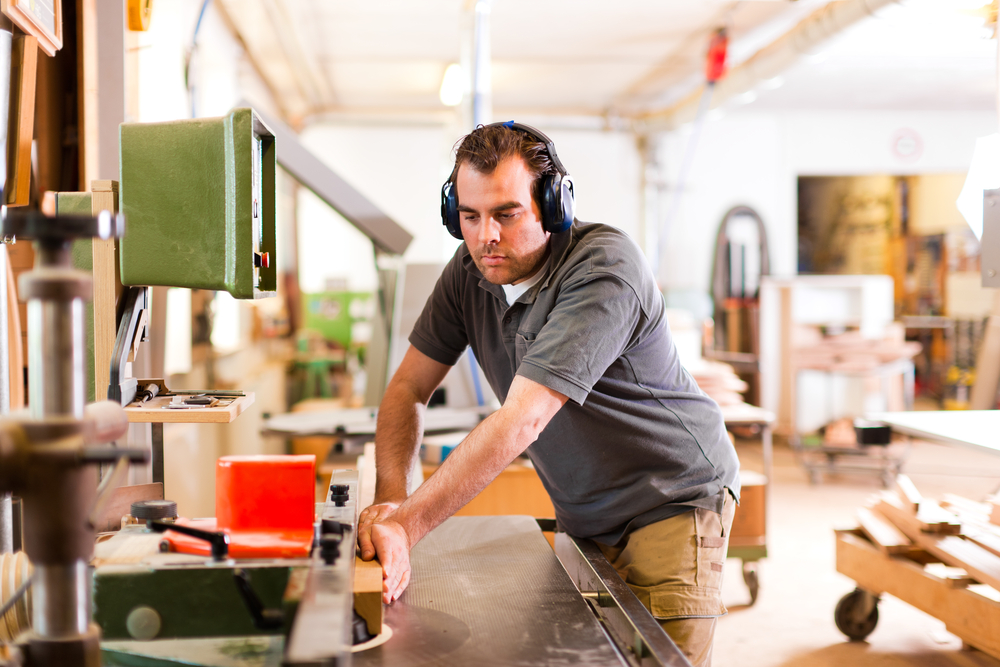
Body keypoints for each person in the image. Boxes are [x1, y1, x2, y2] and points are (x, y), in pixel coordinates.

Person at [357, 121, 740, 667]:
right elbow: (407, 386)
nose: (485, 235)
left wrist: (405, 528)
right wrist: (392, 498)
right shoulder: (470, 272)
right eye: (469, 216)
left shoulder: (603, 269)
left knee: (653, 659)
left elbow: (521, 422)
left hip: (667, 501)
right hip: (584, 512)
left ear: (553, 204)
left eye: (506, 214)